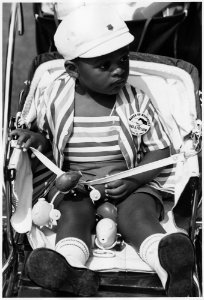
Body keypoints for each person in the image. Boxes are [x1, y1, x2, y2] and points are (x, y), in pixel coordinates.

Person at [10, 4, 194, 297]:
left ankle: (169, 264)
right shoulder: (54, 98)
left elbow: (161, 150)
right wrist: (35, 140)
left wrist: (134, 180)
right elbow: (46, 141)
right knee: (73, 214)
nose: (119, 70)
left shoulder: (136, 100)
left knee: (138, 215)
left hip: (130, 184)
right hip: (77, 186)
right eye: (104, 65)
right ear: (73, 70)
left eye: (123, 60)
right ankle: (69, 268)